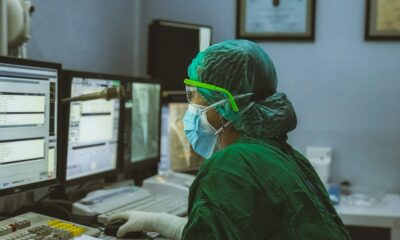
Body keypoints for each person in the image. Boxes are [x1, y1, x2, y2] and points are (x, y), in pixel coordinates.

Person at [110, 40, 352, 240]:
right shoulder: (283, 155)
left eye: (195, 94)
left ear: (225, 103)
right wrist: (156, 220)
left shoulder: (232, 164)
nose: (190, 106)